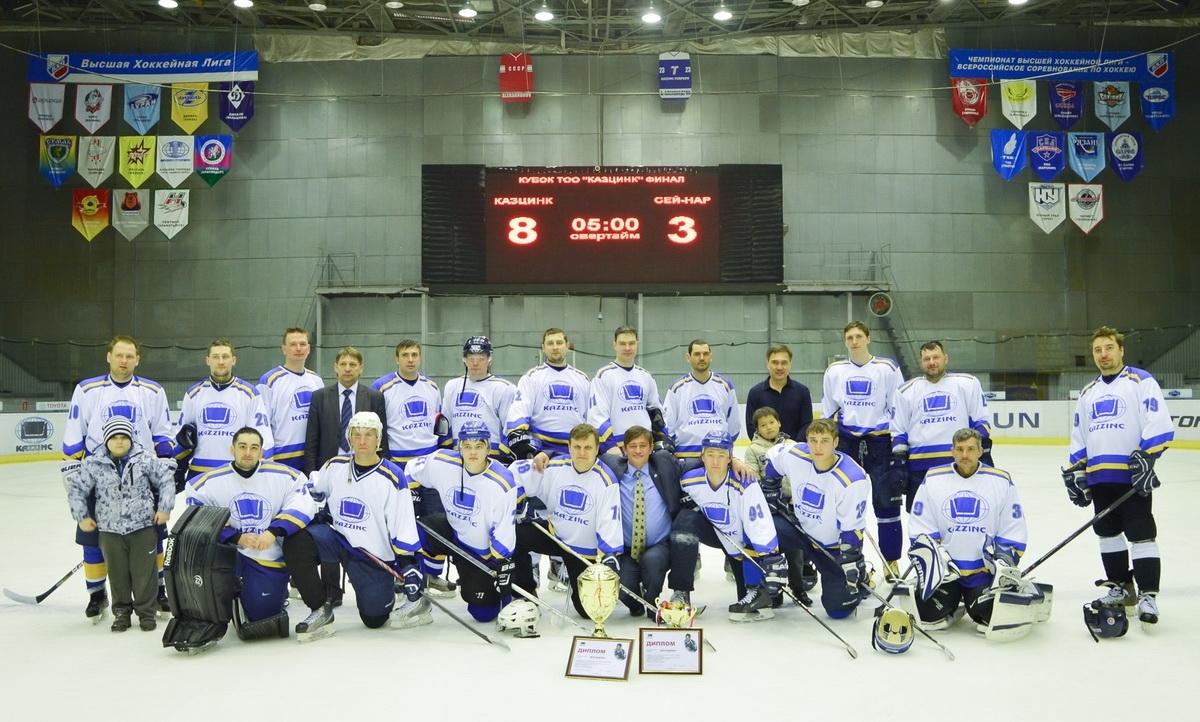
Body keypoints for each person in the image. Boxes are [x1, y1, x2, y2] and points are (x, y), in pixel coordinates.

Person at [61, 335, 176, 622]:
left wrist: (165, 463)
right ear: (109, 357)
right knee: (92, 539)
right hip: (99, 473)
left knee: (152, 536)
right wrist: (72, 470)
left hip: (142, 474)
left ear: (137, 359)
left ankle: (158, 590)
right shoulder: (87, 390)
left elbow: (162, 432)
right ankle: (97, 593)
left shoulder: (152, 391)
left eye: (130, 356)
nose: (124, 361)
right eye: (119, 355)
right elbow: (75, 432)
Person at [1066, 326, 1173, 626]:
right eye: (1098, 350)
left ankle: (1148, 595)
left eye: (1109, 348)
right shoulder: (1088, 392)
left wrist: (1148, 456)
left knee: (1141, 532)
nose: (1104, 354)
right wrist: (1076, 470)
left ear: (1121, 350)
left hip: (1131, 477)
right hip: (1099, 477)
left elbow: (1158, 421)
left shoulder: (1140, 381)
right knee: (1107, 533)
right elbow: (1080, 435)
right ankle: (1121, 588)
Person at [185, 427, 327, 641]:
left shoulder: (286, 476)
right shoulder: (207, 482)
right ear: (232, 449)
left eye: (254, 448)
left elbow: (302, 502)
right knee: (214, 602)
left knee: (261, 615)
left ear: (262, 451)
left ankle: (272, 593)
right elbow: (197, 511)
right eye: (242, 446)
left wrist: (274, 531)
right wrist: (234, 536)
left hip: (266, 556)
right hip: (229, 553)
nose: (247, 452)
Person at [304, 412, 428, 631]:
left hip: (371, 556)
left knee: (374, 620)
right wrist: (314, 505)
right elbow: (311, 488)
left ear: (378, 440)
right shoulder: (335, 466)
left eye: (369, 435)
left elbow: (403, 524)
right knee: (298, 538)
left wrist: (408, 564)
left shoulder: (392, 476)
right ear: (349, 438)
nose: (362, 440)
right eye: (357, 434)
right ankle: (320, 607)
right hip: (338, 541)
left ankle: (386, 592)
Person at [907, 428, 1030, 632]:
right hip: (946, 574)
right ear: (952, 451)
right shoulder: (933, 478)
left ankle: (988, 597)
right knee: (926, 615)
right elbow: (921, 525)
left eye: (971, 449)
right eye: (960, 449)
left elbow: (1012, 526)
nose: (965, 455)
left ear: (980, 451)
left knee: (990, 617)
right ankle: (954, 605)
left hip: (982, 573)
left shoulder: (1001, 481)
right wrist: (937, 561)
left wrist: (1004, 560)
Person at [404, 421, 522, 622]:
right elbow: (410, 469)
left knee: (483, 614)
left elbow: (504, 530)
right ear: (459, 448)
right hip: (451, 531)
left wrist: (501, 563)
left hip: (478, 552)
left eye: (479, 446)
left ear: (488, 448)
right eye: (467, 446)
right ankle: (415, 595)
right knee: (407, 532)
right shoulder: (442, 462)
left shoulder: (502, 482)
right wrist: (412, 494)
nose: (473, 452)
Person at [67, 417, 176, 633]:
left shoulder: (145, 459)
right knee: (118, 575)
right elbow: (77, 489)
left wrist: (164, 508)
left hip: (142, 527)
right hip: (109, 530)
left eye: (124, 437)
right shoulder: (94, 463)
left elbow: (166, 481)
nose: (119, 442)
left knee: (144, 574)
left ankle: (146, 614)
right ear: (106, 440)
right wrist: (81, 516)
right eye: (114, 437)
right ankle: (121, 613)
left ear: (131, 439)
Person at [668, 431, 784, 622]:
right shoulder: (688, 480)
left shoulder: (745, 480)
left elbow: (758, 523)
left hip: (741, 546)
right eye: (710, 455)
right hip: (714, 532)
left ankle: (756, 588)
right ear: (702, 456)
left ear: (730, 457)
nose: (715, 461)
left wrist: (769, 557)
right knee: (684, 521)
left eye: (721, 455)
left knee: (753, 602)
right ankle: (681, 592)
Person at [510, 423, 623, 618]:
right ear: (569, 447)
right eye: (577, 447)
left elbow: (609, 523)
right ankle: (526, 596)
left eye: (588, 447)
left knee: (587, 612)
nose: (582, 452)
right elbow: (515, 472)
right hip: (556, 536)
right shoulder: (554, 465)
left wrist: (609, 558)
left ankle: (576, 579)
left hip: (582, 551)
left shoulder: (606, 480)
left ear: (597, 448)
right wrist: (519, 501)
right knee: (514, 534)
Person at [304, 346, 388, 606]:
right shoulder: (320, 397)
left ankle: (369, 577)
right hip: (332, 473)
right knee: (331, 527)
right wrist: (312, 474)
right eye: (343, 364)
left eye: (353, 364)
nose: (348, 368)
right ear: (335, 367)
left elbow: (383, 439)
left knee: (361, 522)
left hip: (365, 470)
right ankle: (332, 590)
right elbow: (312, 440)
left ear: (361, 368)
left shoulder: (374, 397)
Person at [765, 418, 871, 619]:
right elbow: (773, 458)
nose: (818, 447)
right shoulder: (796, 454)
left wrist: (851, 558)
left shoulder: (852, 479)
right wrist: (771, 485)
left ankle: (861, 580)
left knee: (838, 611)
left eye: (824, 441)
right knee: (758, 528)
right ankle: (762, 587)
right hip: (801, 532)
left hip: (831, 547)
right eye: (813, 440)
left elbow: (851, 530)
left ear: (836, 442)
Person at [821, 321, 905, 576]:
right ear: (845, 341)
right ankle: (848, 561)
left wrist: (898, 444)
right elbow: (829, 410)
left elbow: (899, 407)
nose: (854, 341)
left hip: (881, 443)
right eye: (850, 337)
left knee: (887, 504)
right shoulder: (835, 371)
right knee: (844, 504)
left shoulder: (888, 368)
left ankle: (891, 561)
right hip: (846, 442)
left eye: (859, 336)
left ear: (868, 338)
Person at [889, 341, 991, 511]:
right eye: (927, 359)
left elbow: (981, 422)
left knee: (957, 516)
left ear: (945, 358)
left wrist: (983, 452)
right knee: (920, 519)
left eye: (936, 357)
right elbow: (898, 431)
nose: (932, 362)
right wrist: (899, 463)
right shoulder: (905, 391)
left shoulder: (967, 384)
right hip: (919, 467)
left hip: (959, 465)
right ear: (921, 362)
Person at [600, 425, 682, 617]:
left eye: (643, 445)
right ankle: (636, 604)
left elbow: (696, 464)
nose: (638, 450)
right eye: (633, 446)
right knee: (623, 588)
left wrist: (734, 461)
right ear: (624, 448)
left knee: (652, 563)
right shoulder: (610, 465)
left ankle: (652, 604)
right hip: (626, 548)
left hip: (659, 545)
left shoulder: (664, 464)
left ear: (651, 447)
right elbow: (580, 458)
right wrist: (546, 454)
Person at [178, 340, 274, 481]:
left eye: (225, 357)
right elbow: (181, 438)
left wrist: (264, 476)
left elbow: (264, 439)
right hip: (199, 473)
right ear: (208, 361)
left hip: (235, 474)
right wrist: (178, 469)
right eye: (216, 357)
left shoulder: (250, 394)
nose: (221, 361)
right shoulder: (193, 394)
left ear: (233, 360)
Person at [505, 328, 591, 460]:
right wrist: (520, 441)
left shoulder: (582, 379)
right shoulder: (531, 377)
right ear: (543, 348)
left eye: (559, 343)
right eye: (550, 343)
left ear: (567, 346)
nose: (555, 347)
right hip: (540, 449)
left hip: (576, 448)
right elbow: (519, 412)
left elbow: (591, 417)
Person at [588, 325, 669, 453]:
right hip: (617, 447)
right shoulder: (603, 376)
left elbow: (658, 413)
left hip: (644, 447)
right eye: (622, 344)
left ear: (637, 344)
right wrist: (610, 446)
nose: (627, 348)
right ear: (614, 345)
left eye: (631, 343)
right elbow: (597, 416)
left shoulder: (646, 376)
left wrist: (662, 439)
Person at [663, 339, 740, 467]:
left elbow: (734, 426)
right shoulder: (677, 388)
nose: (702, 358)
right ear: (688, 357)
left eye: (705, 354)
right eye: (697, 354)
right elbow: (668, 426)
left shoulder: (725, 386)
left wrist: (722, 447)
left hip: (717, 458)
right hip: (685, 458)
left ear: (711, 356)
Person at [256, 328, 324, 472]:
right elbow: (261, 424)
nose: (298, 348)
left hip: (312, 456)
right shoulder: (269, 381)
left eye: (302, 344)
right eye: (293, 344)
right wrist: (266, 457)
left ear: (309, 348)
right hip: (282, 457)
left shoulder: (316, 380)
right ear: (284, 349)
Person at [441, 336, 518, 460]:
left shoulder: (505, 388)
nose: (475, 363)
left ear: (489, 360)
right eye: (471, 358)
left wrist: (504, 455)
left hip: (492, 456)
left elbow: (510, 426)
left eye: (481, 358)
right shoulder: (452, 386)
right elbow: (446, 425)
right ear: (464, 360)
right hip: (459, 455)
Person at [373, 339, 444, 467]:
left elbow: (439, 422)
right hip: (397, 460)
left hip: (430, 458)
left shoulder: (432, 386)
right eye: (405, 355)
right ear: (397, 359)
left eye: (414, 355)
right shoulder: (381, 387)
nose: (410, 360)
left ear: (420, 358)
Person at [744, 343, 812, 442]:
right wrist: (769, 447)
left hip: (795, 448)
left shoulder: (802, 391)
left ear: (790, 364)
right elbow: (751, 426)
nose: (779, 367)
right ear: (767, 363)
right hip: (765, 449)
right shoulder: (755, 393)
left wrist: (793, 446)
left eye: (784, 363)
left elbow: (806, 424)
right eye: (775, 362)